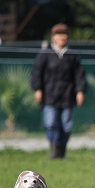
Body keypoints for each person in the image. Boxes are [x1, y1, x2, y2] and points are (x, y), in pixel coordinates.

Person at [30, 23, 87, 159]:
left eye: (64, 34)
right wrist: (37, 88)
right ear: (53, 37)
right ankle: (54, 151)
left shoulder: (72, 55)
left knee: (66, 126)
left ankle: (62, 151)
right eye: (59, 34)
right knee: (50, 124)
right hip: (49, 96)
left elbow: (79, 75)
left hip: (67, 96)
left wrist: (80, 91)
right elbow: (36, 72)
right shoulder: (45, 54)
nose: (62, 37)